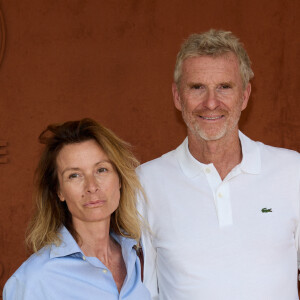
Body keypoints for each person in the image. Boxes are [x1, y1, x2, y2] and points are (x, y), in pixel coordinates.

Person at [138, 29, 300, 300]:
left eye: (224, 87)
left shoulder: (292, 172)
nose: (211, 103)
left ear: (245, 96)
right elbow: (143, 290)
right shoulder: (145, 183)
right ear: (178, 97)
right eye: (197, 87)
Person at [3, 118, 151, 300]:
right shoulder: (34, 279)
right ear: (59, 191)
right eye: (74, 175)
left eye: (101, 170)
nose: (91, 186)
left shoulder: (137, 254)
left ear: (119, 179)